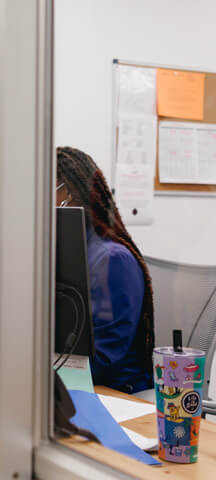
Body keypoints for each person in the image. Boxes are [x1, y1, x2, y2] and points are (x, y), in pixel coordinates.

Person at [56, 146, 155, 393]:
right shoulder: (63, 250)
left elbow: (105, 357)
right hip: (71, 380)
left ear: (68, 192)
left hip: (118, 392)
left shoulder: (113, 259)